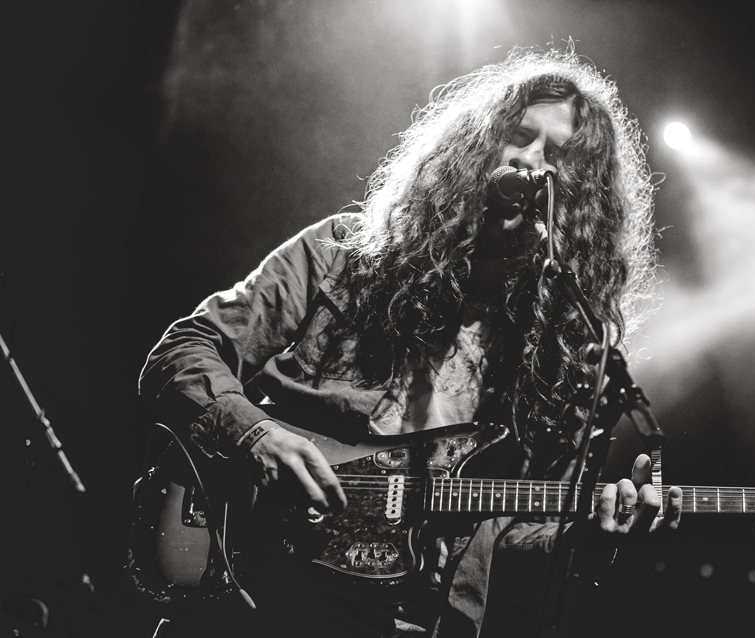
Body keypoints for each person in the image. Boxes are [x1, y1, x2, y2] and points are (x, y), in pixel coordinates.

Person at [138, 48, 682, 638]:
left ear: (579, 195)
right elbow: (183, 350)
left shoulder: (569, 354)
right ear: (477, 145)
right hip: (257, 587)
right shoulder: (344, 255)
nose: (530, 160)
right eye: (519, 136)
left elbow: (506, 533)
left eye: (558, 154)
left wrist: (591, 534)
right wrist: (255, 436)